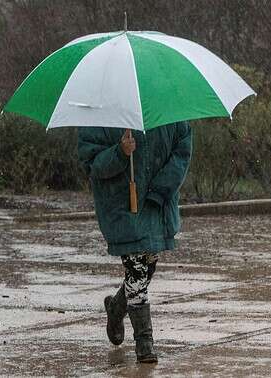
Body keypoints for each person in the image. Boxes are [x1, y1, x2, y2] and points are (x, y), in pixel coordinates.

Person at [77, 123, 192, 363]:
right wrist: (120, 153)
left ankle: (116, 308)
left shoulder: (168, 111)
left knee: (147, 268)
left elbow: (182, 151)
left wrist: (161, 189)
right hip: (122, 207)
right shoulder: (99, 117)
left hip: (156, 204)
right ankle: (145, 344)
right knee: (137, 270)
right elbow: (92, 163)